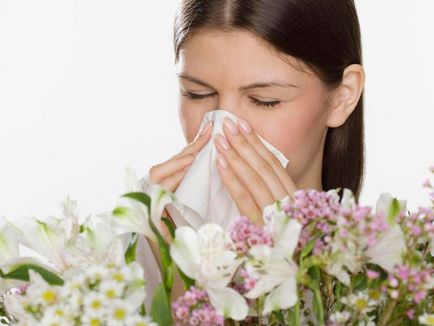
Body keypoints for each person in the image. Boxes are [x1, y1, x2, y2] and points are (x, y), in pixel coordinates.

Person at [138, 0, 366, 316]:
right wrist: (175, 281)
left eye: (264, 101)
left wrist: (290, 279)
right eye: (196, 93)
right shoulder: (135, 239)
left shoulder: (382, 277)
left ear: (343, 97)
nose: (223, 130)